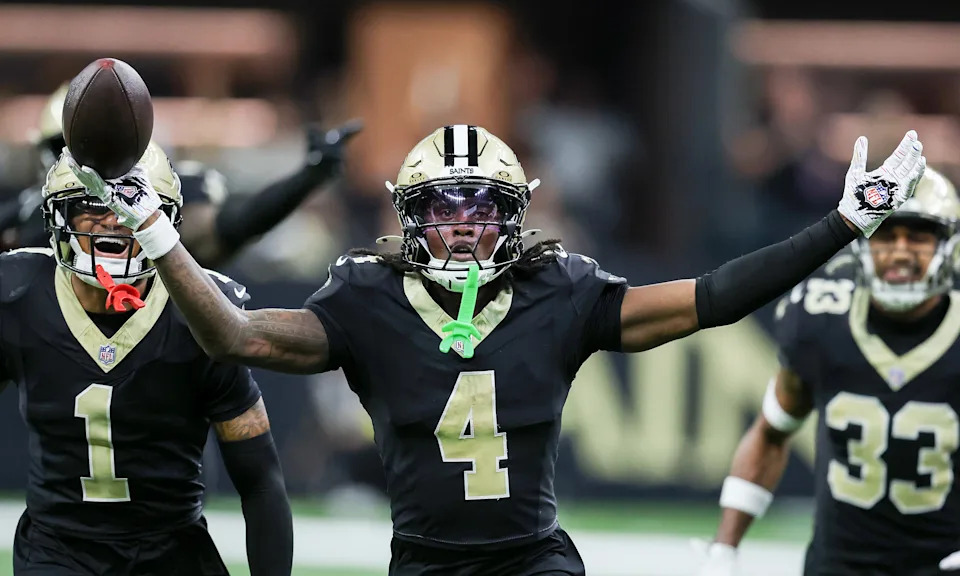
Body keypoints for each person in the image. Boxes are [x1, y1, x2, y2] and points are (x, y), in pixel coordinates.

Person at [70, 123, 924, 575]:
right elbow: (238, 333)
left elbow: (713, 300)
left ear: (515, 215)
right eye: (444, 207)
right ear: (409, 214)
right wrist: (152, 230)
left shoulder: (563, 292)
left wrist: (844, 222)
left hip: (531, 561)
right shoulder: (365, 298)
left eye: (483, 206)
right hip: (425, 563)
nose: (464, 225)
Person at [1, 144, 293, 575]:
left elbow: (260, 479)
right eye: (92, 206)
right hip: (56, 550)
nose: (113, 220)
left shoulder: (201, 313)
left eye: (128, 206)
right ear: (58, 217)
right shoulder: (18, 295)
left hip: (171, 550)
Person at [696, 167, 960, 576]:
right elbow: (771, 431)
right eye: (887, 235)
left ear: (949, 245)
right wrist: (724, 549)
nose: (902, 251)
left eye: (919, 237)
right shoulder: (821, 313)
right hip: (839, 565)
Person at [0, 82, 360, 267]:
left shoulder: (174, 189)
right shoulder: (30, 209)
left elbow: (221, 231)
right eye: (71, 145)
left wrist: (305, 180)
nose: (90, 158)